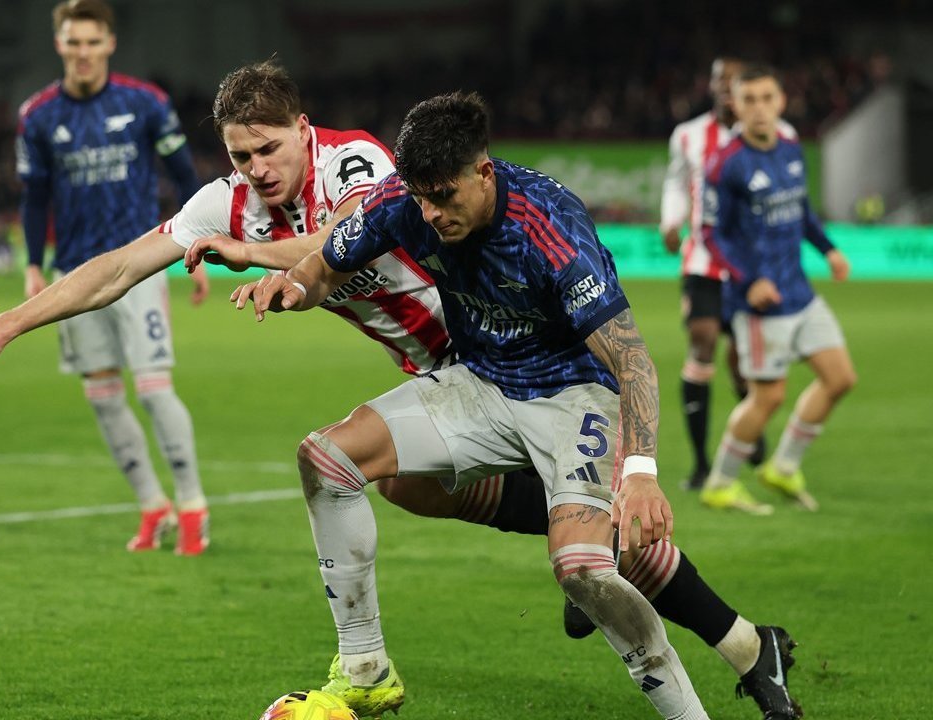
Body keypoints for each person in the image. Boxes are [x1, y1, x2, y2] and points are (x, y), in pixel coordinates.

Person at [0, 64, 800, 718]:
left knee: (592, 548)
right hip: (458, 381)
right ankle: (395, 658)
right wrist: (3, 325)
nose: (258, 169)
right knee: (404, 486)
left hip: (532, 366)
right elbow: (116, 268)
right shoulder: (229, 205)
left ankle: (735, 640)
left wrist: (266, 262)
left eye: (270, 148)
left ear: (305, 131)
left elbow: (356, 229)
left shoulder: (358, 165)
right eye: (240, 156)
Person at [235, 92, 707, 719]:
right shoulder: (403, 203)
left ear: (482, 172)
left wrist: (641, 472)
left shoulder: (548, 224)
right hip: (481, 383)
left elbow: (634, 361)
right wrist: (294, 286)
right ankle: (365, 667)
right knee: (325, 458)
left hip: (573, 395)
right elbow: (325, 262)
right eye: (421, 198)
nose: (430, 214)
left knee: (582, 572)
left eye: (444, 196)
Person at [15, 0, 210, 554]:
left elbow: (183, 177)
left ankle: (193, 504)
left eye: (92, 42)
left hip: (138, 263)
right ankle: (153, 506)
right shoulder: (37, 116)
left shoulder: (146, 103)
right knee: (102, 396)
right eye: (73, 42)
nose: (82, 53)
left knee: (153, 388)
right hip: (73, 273)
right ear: (59, 45)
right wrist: (33, 264)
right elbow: (34, 199)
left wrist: (196, 248)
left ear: (109, 43)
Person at [699, 63, 855, 514]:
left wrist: (830, 250)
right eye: (749, 100)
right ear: (736, 105)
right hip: (760, 304)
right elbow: (713, 234)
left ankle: (783, 467)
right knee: (768, 396)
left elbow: (802, 212)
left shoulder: (790, 149)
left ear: (781, 102)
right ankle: (720, 483)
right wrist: (751, 280)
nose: (760, 109)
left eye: (767, 98)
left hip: (800, 292)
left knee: (840, 378)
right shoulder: (726, 164)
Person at [660, 57, 798, 489]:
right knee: (702, 342)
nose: (724, 88)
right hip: (703, 259)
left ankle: (750, 440)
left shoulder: (782, 135)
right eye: (719, 80)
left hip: (752, 267)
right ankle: (701, 465)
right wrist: (671, 220)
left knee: (743, 363)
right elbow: (676, 183)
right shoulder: (688, 135)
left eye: (733, 82)